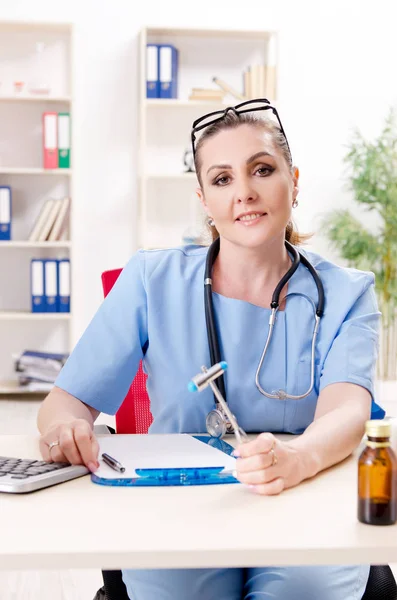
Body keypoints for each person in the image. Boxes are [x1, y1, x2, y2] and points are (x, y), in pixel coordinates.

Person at [37, 100, 384, 600]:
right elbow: (64, 403)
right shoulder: (151, 281)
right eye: (222, 180)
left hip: (304, 487)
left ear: (295, 179)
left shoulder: (348, 293)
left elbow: (347, 411)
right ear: (204, 198)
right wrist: (63, 429)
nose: (244, 192)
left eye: (262, 170)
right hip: (181, 498)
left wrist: (298, 458)